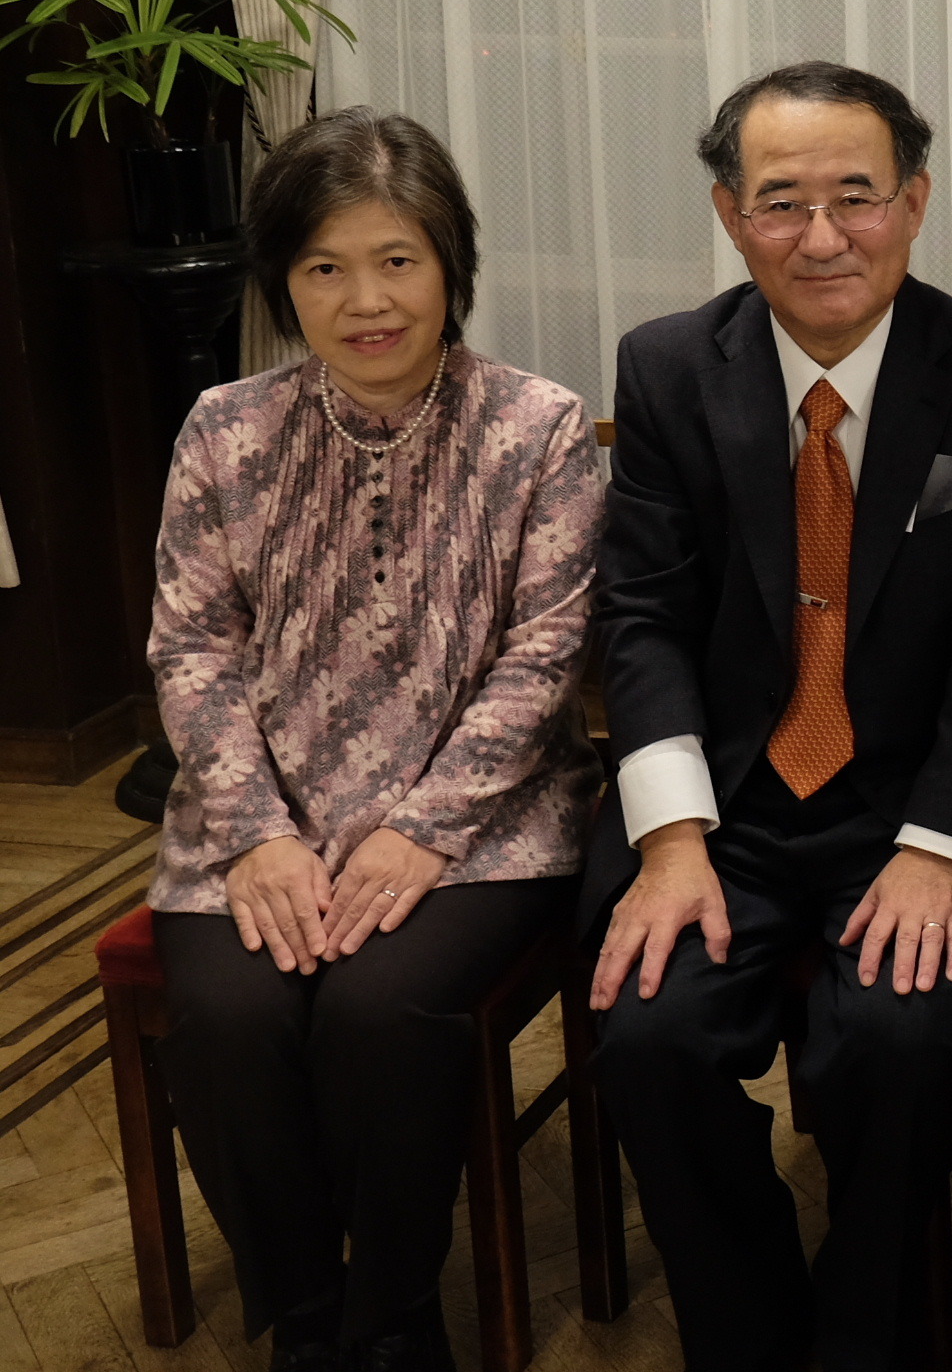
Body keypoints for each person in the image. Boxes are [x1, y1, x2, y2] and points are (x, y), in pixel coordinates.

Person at [584, 62, 952, 1372]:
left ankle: (872, 1337)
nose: (823, 235)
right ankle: (747, 1333)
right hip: (725, 803)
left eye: (857, 195)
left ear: (914, 202)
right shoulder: (671, 367)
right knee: (652, 1033)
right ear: (731, 216)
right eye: (783, 201)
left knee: (902, 1044)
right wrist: (670, 839)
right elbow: (641, 618)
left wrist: (941, 846)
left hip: (911, 803)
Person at [147, 108, 602, 1372]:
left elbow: (545, 656)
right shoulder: (224, 428)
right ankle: (309, 1319)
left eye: (398, 259)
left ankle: (395, 1319)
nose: (367, 300)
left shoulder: (540, 425)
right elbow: (191, 648)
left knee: (379, 1004)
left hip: (485, 819)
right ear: (283, 281)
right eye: (326, 267)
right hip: (258, 817)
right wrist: (257, 834)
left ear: (451, 260)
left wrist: (421, 828)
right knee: (230, 1012)